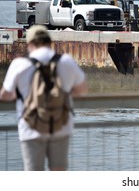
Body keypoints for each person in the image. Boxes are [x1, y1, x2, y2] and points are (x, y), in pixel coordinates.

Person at [0, 25, 87, 171]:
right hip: (61, 126)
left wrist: (19, 94)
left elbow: (5, 95)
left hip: (31, 128)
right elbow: (82, 90)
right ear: (49, 41)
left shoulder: (19, 64)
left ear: (30, 44)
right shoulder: (66, 61)